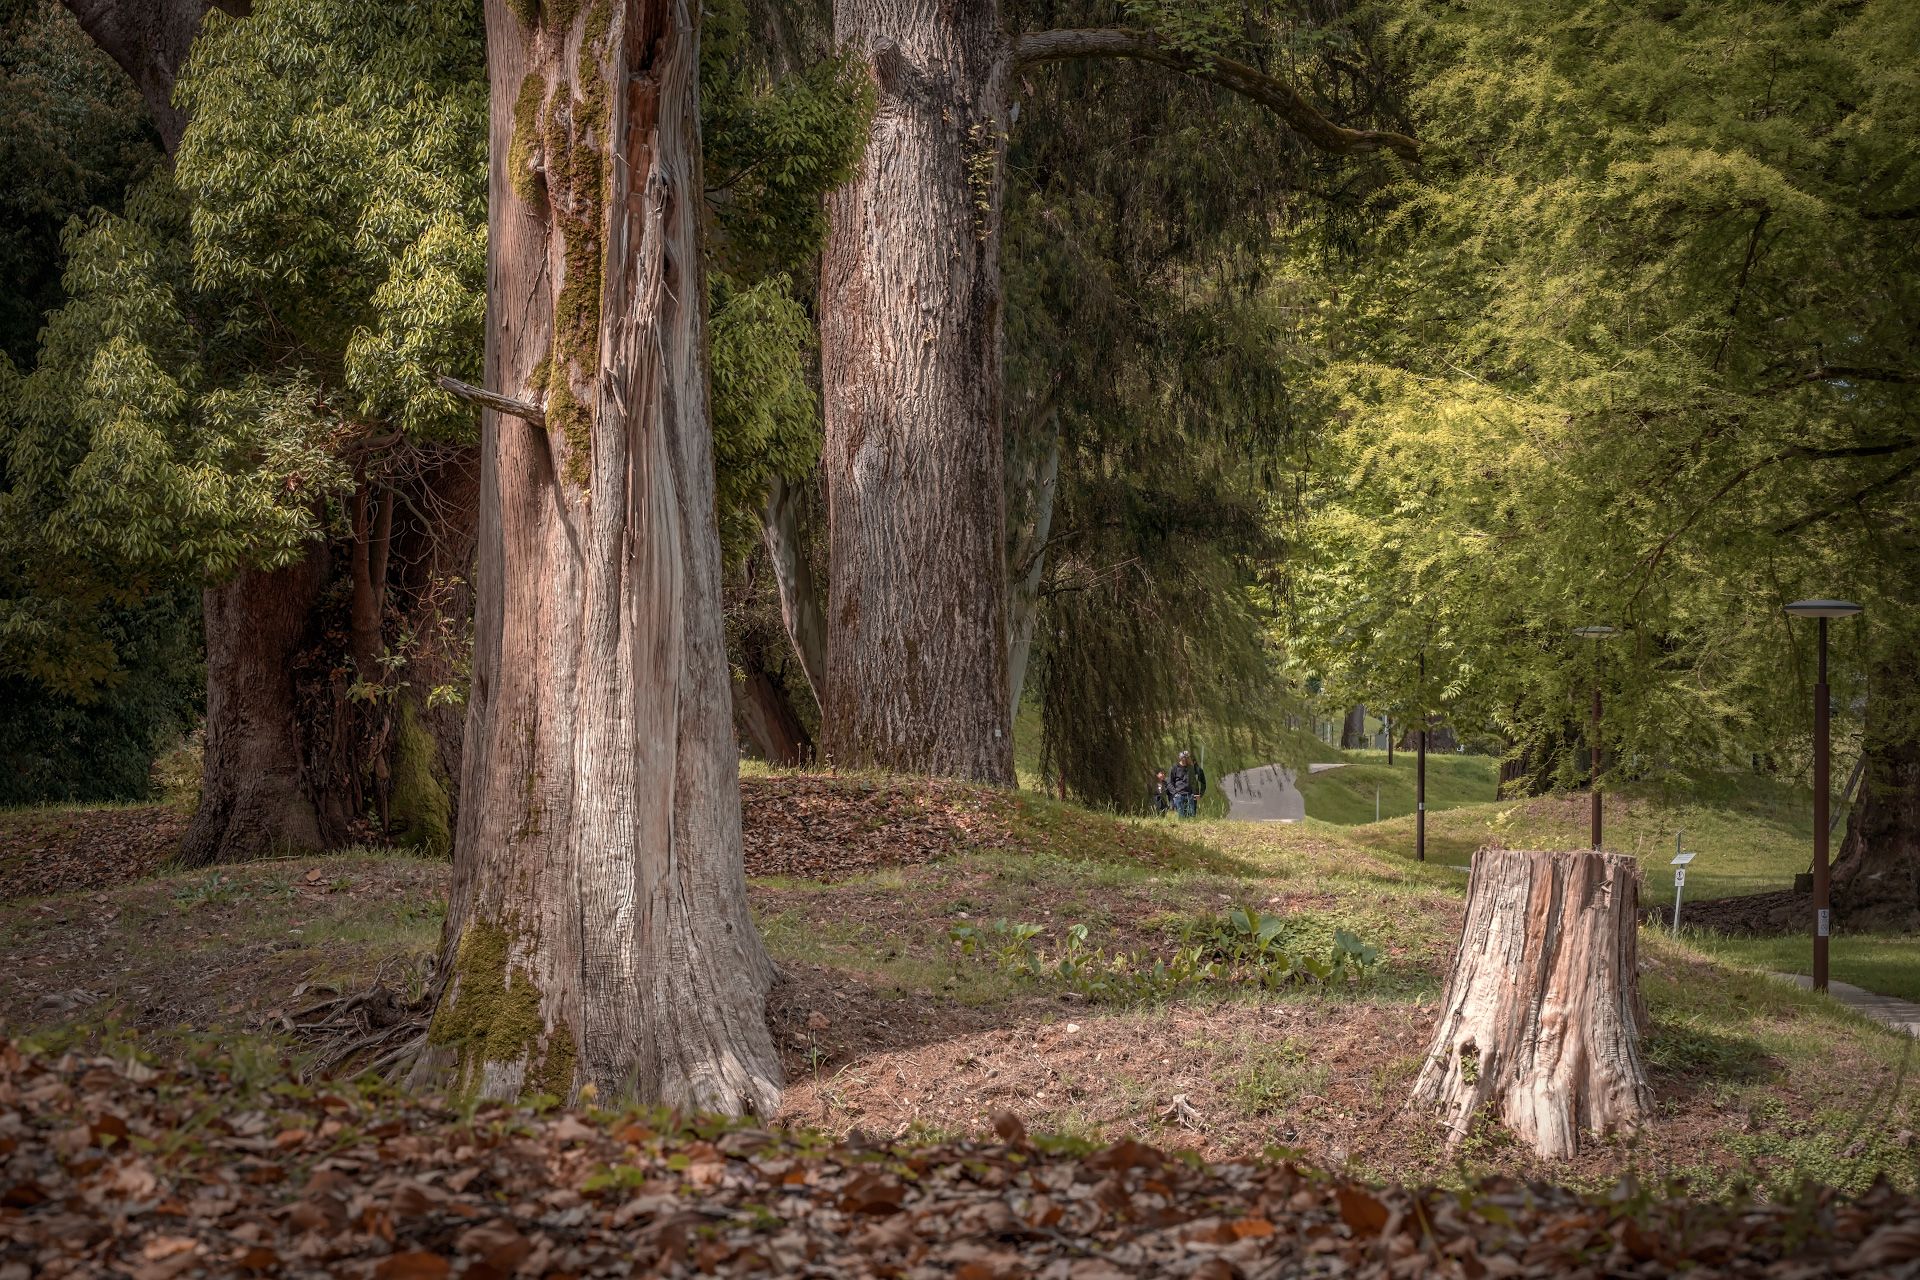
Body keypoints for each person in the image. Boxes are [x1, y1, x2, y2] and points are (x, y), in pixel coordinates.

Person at [1169, 749, 1206, 818]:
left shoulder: (1192, 768)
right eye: (1185, 757)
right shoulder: (1174, 768)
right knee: (1182, 817)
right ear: (1181, 758)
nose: (1187, 759)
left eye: (1187, 757)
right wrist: (1175, 794)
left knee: (1191, 817)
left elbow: (1194, 782)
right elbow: (1170, 783)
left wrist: (1199, 794)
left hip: (1190, 796)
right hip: (1179, 796)